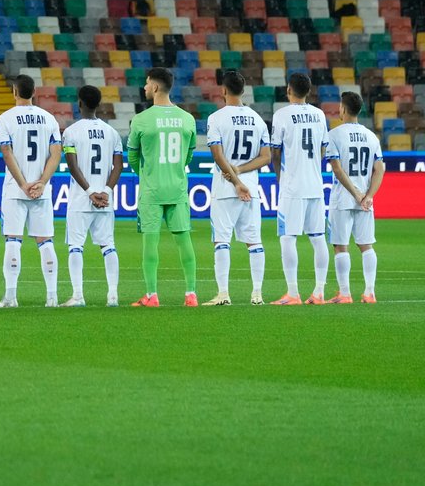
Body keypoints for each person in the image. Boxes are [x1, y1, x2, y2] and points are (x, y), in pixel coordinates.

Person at [127, 67, 198, 307]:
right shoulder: (187, 119)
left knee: (150, 242)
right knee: (184, 241)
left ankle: (151, 295)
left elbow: (133, 158)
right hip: (177, 189)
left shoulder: (141, 120)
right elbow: (188, 157)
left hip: (152, 190)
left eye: (147, 83)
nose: (145, 87)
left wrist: (147, 174)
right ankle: (191, 294)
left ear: (156, 87)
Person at [0, 73, 62, 307]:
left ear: (14, 92)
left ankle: (11, 297)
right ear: (34, 92)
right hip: (42, 191)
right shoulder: (49, 118)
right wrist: (41, 182)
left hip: (15, 189)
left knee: (13, 240)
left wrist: (23, 184)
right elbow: (56, 154)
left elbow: (7, 152)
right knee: (45, 242)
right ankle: (52, 297)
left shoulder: (6, 118)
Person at [204, 71, 271, 306]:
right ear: (243, 91)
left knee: (222, 240)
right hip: (251, 188)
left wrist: (235, 180)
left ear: (223, 90)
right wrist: (242, 174)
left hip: (225, 189)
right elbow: (266, 157)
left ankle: (223, 294)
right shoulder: (258, 119)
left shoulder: (216, 118)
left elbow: (217, 155)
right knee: (254, 241)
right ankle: (257, 294)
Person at [269, 72, 332, 305]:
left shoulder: (282, 115)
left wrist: (279, 177)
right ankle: (319, 292)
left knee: (287, 238)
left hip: (292, 187)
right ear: (309, 91)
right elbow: (323, 149)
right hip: (315, 185)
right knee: (318, 239)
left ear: (288, 90)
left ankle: (293, 293)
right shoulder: (319, 114)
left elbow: (275, 152)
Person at [60, 86, 125, 307]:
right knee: (108, 246)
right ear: (99, 104)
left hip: (81, 199)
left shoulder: (71, 132)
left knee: (76, 246)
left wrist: (89, 192)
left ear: (79, 103)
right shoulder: (112, 133)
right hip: (105, 201)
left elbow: (72, 165)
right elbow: (118, 165)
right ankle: (113, 295)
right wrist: (105, 191)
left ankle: (78, 295)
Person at [326, 91, 384, 304]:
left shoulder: (334, 135)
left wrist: (356, 194)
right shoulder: (371, 136)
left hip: (343, 198)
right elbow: (380, 169)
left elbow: (337, 169)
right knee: (366, 245)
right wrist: (368, 196)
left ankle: (344, 293)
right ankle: (370, 292)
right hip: (365, 202)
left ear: (342, 109)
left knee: (341, 246)